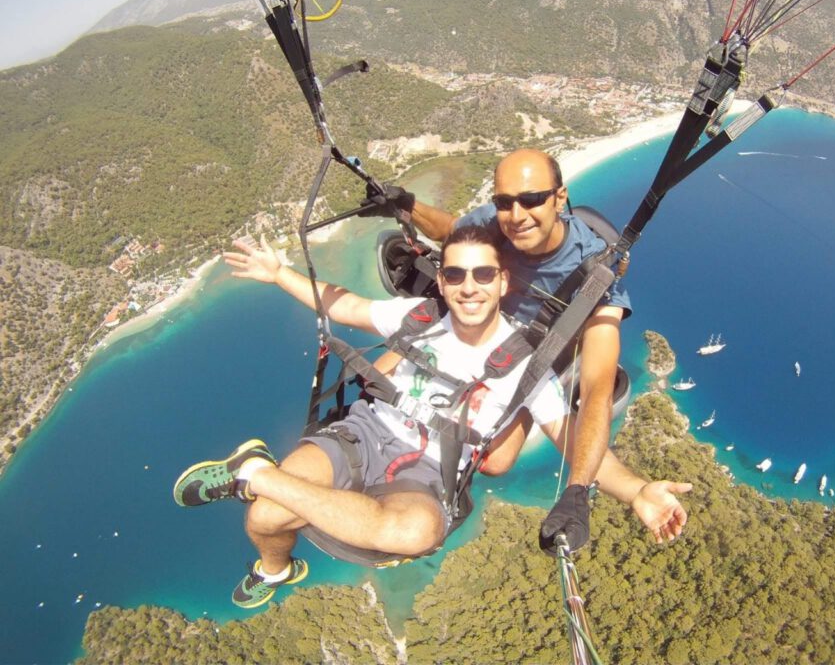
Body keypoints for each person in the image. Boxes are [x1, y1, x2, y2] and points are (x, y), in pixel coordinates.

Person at [184, 226, 690, 608]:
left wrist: (635, 490)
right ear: (443, 284)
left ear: (501, 281)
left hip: (431, 471)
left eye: (483, 274)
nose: (469, 287)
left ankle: (257, 474)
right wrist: (279, 274)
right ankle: (273, 566)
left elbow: (572, 437)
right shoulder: (417, 319)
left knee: (413, 534)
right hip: (365, 433)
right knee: (264, 518)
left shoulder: (527, 364)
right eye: (455, 274)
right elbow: (346, 305)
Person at [367, 148, 630, 554]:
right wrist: (407, 206)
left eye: (531, 199)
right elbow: (452, 231)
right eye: (505, 202)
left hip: (528, 353)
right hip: (476, 319)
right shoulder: (495, 225)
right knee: (375, 382)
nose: (517, 214)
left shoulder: (595, 277)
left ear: (560, 198)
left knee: (496, 460)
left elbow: (596, 387)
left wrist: (578, 488)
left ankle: (423, 496)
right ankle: (375, 471)